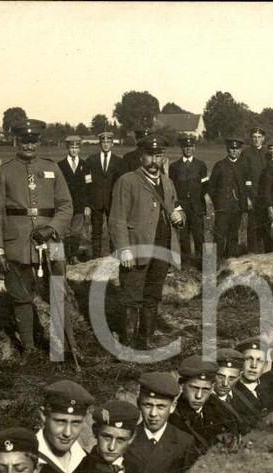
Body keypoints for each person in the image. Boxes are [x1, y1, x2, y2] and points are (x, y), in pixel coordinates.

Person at [0, 119, 73, 354]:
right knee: (21, 296)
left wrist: (53, 228)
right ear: (16, 141)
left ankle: (59, 348)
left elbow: (66, 206)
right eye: (24, 141)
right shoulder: (3, 172)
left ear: (39, 142)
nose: (29, 146)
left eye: (33, 141)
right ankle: (30, 349)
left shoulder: (53, 169)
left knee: (58, 292)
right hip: (17, 244)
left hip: (53, 242)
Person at [110, 133, 187, 349]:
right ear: (141, 156)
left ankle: (146, 339)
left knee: (153, 295)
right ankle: (128, 342)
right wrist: (124, 250)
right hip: (137, 249)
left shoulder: (168, 182)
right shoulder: (127, 181)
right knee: (132, 296)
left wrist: (180, 218)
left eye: (159, 155)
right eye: (150, 156)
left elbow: (176, 209)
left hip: (162, 247)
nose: (154, 161)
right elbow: (117, 219)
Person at [126, 372, 197, 473]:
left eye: (160, 407)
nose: (153, 414)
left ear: (172, 406)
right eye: (148, 405)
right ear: (138, 404)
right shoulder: (125, 439)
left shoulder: (184, 442)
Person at [170, 355, 242, 453]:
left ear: (212, 388)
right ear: (182, 386)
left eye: (205, 389)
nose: (199, 396)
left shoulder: (221, 409)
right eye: (194, 388)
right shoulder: (173, 416)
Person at [168, 134, 209, 268]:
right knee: (184, 237)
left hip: (197, 207)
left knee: (199, 236)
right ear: (181, 148)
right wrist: (176, 205)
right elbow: (172, 188)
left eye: (190, 146)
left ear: (194, 148)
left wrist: (200, 201)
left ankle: (201, 264)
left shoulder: (200, 165)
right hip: (182, 208)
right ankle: (185, 264)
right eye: (185, 147)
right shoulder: (174, 166)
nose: (188, 149)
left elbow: (205, 186)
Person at [207, 137, 249, 263]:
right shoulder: (220, 165)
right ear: (227, 149)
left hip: (236, 207)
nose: (234, 151)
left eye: (236, 149)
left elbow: (245, 186)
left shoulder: (243, 166)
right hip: (223, 207)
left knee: (233, 235)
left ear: (240, 150)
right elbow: (211, 187)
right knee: (219, 235)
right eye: (232, 148)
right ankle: (216, 262)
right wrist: (218, 203)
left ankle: (230, 261)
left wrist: (244, 203)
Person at [85, 131, 124, 258]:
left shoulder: (118, 161)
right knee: (96, 233)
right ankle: (96, 258)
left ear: (112, 144)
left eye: (108, 142)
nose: (106, 145)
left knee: (113, 231)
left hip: (112, 202)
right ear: (100, 143)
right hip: (96, 202)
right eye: (103, 142)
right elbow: (87, 183)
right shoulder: (91, 160)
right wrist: (88, 203)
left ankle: (113, 259)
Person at [57, 135, 92, 264]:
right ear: (67, 148)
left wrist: (87, 205)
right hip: (65, 205)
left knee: (76, 232)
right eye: (72, 147)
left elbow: (89, 187)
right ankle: (64, 256)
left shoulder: (85, 165)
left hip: (79, 204)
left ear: (80, 149)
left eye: (76, 147)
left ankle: (74, 256)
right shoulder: (60, 165)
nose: (74, 150)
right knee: (65, 231)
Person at [240, 126, 271, 253]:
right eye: (254, 137)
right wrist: (248, 197)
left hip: (266, 195)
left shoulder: (267, 153)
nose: (257, 140)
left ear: (263, 138)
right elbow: (244, 176)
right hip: (253, 195)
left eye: (259, 137)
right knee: (253, 226)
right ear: (251, 138)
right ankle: (253, 253)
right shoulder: (246, 153)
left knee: (267, 225)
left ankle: (268, 253)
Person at [210, 348, 259, 426]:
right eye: (221, 376)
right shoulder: (205, 402)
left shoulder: (244, 397)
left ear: (239, 376)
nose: (225, 383)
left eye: (231, 378)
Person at [232, 336, 269, 418]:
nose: (254, 365)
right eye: (248, 358)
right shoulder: (231, 392)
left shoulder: (272, 389)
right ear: (240, 362)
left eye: (259, 360)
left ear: (265, 365)